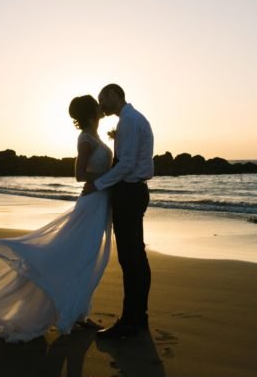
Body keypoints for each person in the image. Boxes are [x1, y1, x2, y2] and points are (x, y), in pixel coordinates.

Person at [0, 95, 113, 342]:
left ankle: (79, 311)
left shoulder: (97, 136)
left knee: (86, 257)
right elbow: (80, 175)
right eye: (97, 105)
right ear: (92, 112)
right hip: (91, 203)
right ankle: (72, 312)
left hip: (100, 202)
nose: (101, 108)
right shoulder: (85, 139)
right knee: (81, 256)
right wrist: (108, 176)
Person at [83, 83, 154, 339]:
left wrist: (98, 184)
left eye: (103, 100)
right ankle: (136, 318)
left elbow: (127, 165)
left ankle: (131, 321)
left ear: (114, 93)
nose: (101, 107)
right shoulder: (129, 120)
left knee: (131, 258)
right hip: (130, 191)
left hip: (131, 192)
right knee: (134, 257)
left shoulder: (130, 120)